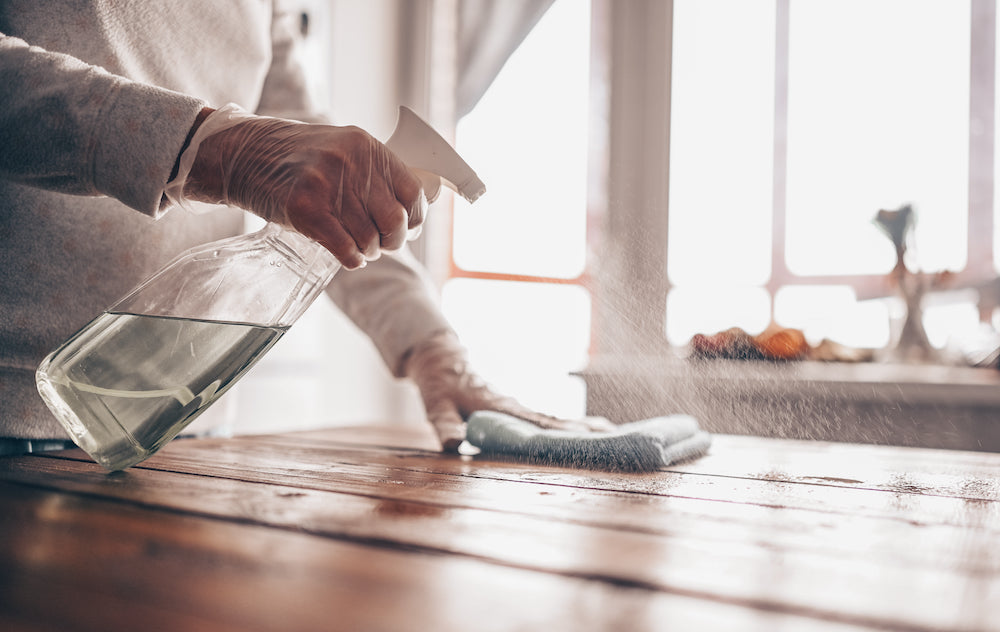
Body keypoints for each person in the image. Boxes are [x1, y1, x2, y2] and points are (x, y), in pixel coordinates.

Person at [0, 1, 600, 456]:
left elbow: (312, 154)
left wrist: (431, 345)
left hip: (189, 423)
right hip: (16, 415)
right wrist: (218, 150)